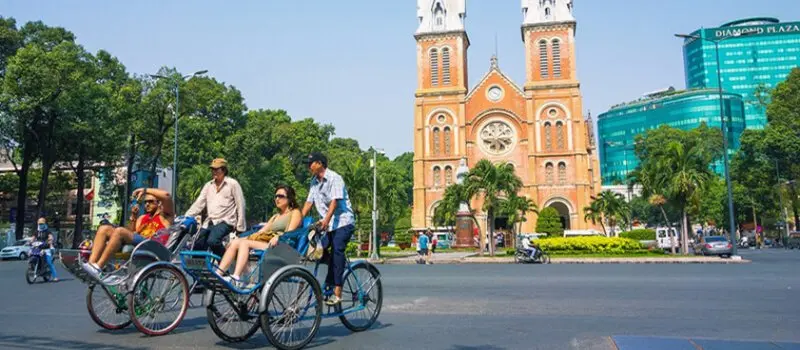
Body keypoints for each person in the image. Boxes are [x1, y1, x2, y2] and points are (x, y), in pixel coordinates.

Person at [215, 185, 302, 286]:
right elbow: (260, 232)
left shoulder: (295, 213)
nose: (277, 199)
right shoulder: (275, 216)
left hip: (281, 246)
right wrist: (240, 238)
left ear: (290, 198)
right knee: (235, 243)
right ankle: (219, 274)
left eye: (281, 196)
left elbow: (289, 233)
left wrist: (278, 237)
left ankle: (236, 276)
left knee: (244, 244)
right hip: (267, 244)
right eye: (276, 196)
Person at [82, 188, 174, 279]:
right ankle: (91, 265)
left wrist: (145, 190)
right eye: (145, 202)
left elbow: (167, 196)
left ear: (159, 203)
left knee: (120, 231)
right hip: (140, 243)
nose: (146, 204)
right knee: (104, 229)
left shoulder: (165, 217)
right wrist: (134, 217)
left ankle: (98, 267)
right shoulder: (143, 218)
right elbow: (131, 234)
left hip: (154, 247)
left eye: (150, 201)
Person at [301, 152, 355, 306]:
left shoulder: (334, 178)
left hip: (343, 222)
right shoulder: (314, 182)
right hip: (329, 225)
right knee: (318, 251)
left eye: (310, 163)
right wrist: (298, 220)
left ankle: (337, 292)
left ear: (319, 163)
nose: (308, 166)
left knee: (337, 250)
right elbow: (308, 203)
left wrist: (326, 220)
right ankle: (337, 268)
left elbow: (334, 202)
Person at [185, 158, 246, 257]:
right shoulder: (208, 185)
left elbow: (241, 204)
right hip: (210, 221)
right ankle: (200, 271)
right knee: (197, 244)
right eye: (212, 169)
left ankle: (224, 263)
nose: (214, 172)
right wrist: (186, 217)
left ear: (224, 170)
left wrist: (240, 226)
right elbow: (198, 204)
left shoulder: (232, 184)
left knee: (213, 241)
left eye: (217, 169)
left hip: (226, 221)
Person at [35, 218, 58, 282]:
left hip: (46, 249)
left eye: (42, 224)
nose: (40, 225)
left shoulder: (47, 231)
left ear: (44, 224)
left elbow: (51, 237)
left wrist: (50, 240)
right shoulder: (37, 231)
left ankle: (55, 276)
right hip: (38, 249)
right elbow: (33, 238)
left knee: (49, 262)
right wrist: (30, 241)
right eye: (39, 224)